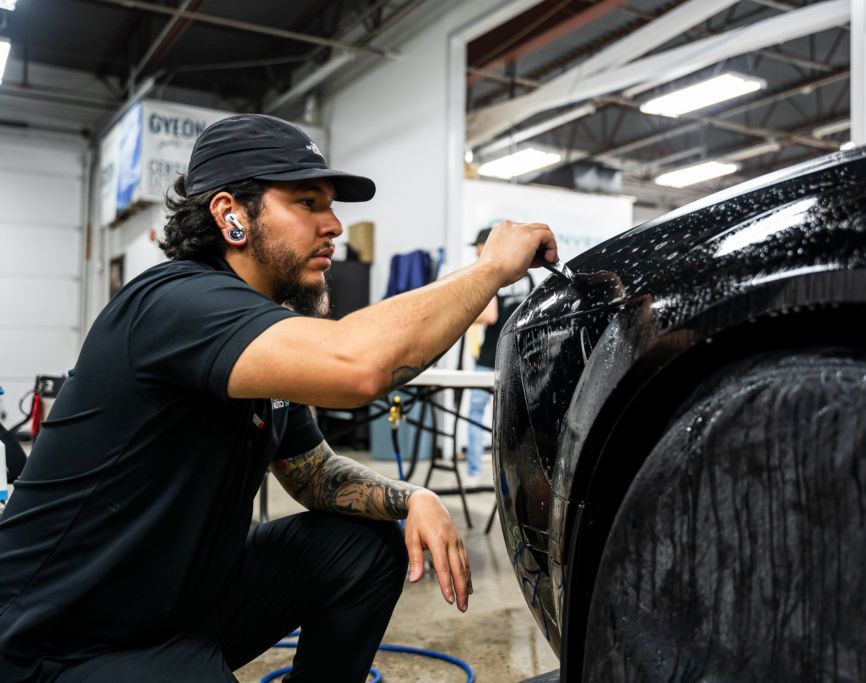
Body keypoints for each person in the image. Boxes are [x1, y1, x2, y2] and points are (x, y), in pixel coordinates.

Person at [0, 114, 559, 683]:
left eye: (331, 204)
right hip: (62, 641)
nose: (335, 225)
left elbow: (313, 473)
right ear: (230, 215)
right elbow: (359, 364)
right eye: (308, 203)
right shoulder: (174, 303)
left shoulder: (260, 331)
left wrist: (412, 496)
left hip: (179, 609)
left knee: (361, 547)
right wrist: (492, 267)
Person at [464, 228, 535, 488]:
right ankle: (509, 480)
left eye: (478, 246)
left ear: (488, 245)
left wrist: (463, 313)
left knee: (473, 415)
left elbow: (490, 316)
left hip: (488, 358)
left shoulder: (491, 273)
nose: (475, 252)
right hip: (516, 358)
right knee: (511, 421)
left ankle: (473, 474)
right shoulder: (526, 276)